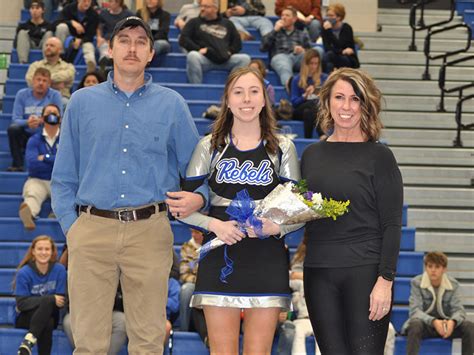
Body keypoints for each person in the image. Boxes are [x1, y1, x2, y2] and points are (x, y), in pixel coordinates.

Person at [51, 16, 206, 354]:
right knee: (88, 343)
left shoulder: (172, 105)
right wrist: (73, 228)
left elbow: (197, 172)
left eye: (140, 41)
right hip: (91, 230)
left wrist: (200, 199)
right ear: (110, 48)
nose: (131, 47)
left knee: (148, 342)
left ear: (151, 53)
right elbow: (63, 177)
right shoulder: (81, 103)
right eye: (124, 39)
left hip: (149, 231)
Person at [178, 66, 301, 354]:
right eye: (238, 92)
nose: (246, 99)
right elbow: (181, 209)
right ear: (228, 100)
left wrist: (277, 227)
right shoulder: (209, 146)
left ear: (264, 99)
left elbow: (298, 209)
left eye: (254, 91)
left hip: (267, 257)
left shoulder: (283, 147)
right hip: (220, 255)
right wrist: (214, 225)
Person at [301, 68, 404, 354]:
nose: (346, 107)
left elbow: (393, 224)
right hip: (319, 273)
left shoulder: (380, 156)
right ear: (327, 102)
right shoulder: (311, 155)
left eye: (355, 99)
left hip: (366, 274)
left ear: (365, 105)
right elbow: (301, 213)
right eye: (339, 97)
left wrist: (385, 280)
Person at [401, 251, 474, 355]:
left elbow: (459, 310)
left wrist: (452, 322)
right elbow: (415, 311)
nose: (433, 270)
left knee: (469, 326)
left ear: (444, 269)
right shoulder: (416, 282)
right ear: (425, 268)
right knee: (415, 325)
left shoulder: (453, 284)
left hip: (446, 327)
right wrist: (434, 322)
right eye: (430, 266)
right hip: (426, 325)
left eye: (437, 267)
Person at [13, 235, 67, 355]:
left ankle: (28, 343)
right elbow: (21, 304)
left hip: (51, 313)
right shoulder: (24, 272)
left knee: (48, 310)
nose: (43, 252)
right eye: (40, 249)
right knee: (48, 320)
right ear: (33, 251)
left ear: (53, 251)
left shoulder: (59, 270)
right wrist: (50, 299)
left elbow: (61, 302)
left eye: (47, 249)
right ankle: (29, 342)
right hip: (25, 317)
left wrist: (44, 301)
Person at [179, 0, 251, 84]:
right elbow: (183, 39)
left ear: (216, 9)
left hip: (225, 59)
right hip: (205, 59)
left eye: (206, 7)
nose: (202, 9)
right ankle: (196, 88)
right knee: (192, 56)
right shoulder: (194, 22)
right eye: (201, 6)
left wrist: (229, 52)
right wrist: (198, 49)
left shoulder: (227, 23)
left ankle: (231, 86)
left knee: (245, 59)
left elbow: (237, 43)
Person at [7, 68, 62, 172]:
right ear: (33, 80)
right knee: (13, 129)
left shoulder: (55, 95)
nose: (41, 83)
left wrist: (42, 121)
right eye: (38, 79)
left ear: (49, 83)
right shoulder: (21, 94)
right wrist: (27, 122)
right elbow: (15, 119)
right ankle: (18, 164)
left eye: (44, 80)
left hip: (45, 134)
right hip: (25, 133)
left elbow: (59, 118)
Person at [19, 104, 61, 231]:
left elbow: (69, 162)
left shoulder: (67, 139)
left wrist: (45, 158)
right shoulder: (34, 140)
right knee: (32, 194)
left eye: (55, 113)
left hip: (60, 180)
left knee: (67, 194)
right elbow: (32, 164)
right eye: (48, 112)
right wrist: (55, 159)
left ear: (60, 118)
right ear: (42, 118)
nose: (52, 115)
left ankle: (58, 213)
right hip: (38, 179)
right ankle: (29, 213)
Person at [260, 6, 311, 89]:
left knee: (318, 51)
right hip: (281, 57)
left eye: (287, 15)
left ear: (294, 19)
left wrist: (303, 50)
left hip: (298, 58)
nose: (283, 17)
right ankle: (291, 87)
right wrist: (275, 30)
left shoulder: (302, 34)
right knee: (283, 63)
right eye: (282, 15)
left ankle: (314, 85)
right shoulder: (275, 32)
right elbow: (262, 48)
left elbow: (311, 52)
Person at [290, 48, 328, 138]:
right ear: (306, 64)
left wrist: (319, 94)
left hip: (314, 110)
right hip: (299, 109)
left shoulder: (324, 78)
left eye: (316, 64)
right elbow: (294, 102)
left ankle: (308, 139)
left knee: (309, 112)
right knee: (312, 104)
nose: (314, 67)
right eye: (311, 63)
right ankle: (321, 133)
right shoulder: (296, 79)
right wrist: (305, 96)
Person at [25, 37, 76, 103]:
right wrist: (55, 84)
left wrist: (41, 81)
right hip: (39, 97)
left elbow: (69, 78)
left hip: (61, 98)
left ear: (59, 50)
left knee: (66, 103)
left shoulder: (68, 67)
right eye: (46, 45)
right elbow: (30, 81)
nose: (48, 47)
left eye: (52, 46)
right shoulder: (35, 65)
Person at [55, 0, 100, 73]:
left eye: (89, 1)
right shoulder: (68, 8)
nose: (87, 3)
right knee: (61, 27)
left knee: (89, 47)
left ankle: (91, 68)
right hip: (67, 37)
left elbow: (90, 36)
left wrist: (80, 40)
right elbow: (56, 22)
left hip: (84, 40)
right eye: (84, 1)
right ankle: (59, 55)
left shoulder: (93, 14)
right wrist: (71, 22)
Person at [321, 3, 359, 73]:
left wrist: (329, 32)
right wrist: (341, 51)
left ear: (339, 17)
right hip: (332, 56)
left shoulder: (346, 28)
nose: (328, 18)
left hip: (348, 59)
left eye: (331, 16)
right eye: (327, 15)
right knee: (328, 60)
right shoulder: (325, 29)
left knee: (331, 57)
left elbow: (340, 44)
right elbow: (327, 48)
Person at [96, 0, 133, 69]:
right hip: (105, 40)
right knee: (104, 46)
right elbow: (99, 28)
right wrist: (99, 37)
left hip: (121, 40)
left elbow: (131, 31)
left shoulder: (128, 15)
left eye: (110, 1)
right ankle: (105, 62)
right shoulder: (103, 14)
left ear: (118, 2)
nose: (108, 3)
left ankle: (111, 61)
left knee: (119, 47)